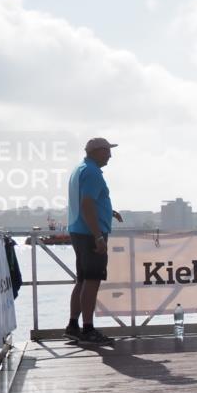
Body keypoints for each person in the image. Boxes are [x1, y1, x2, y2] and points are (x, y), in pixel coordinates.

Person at [65, 138, 123, 346]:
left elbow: (89, 201)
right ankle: (88, 329)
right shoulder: (92, 173)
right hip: (90, 234)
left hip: (79, 231)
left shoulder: (80, 169)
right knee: (92, 280)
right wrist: (98, 236)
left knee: (82, 280)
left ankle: (73, 326)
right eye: (107, 151)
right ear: (97, 151)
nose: (110, 155)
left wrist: (109, 211)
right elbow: (87, 204)